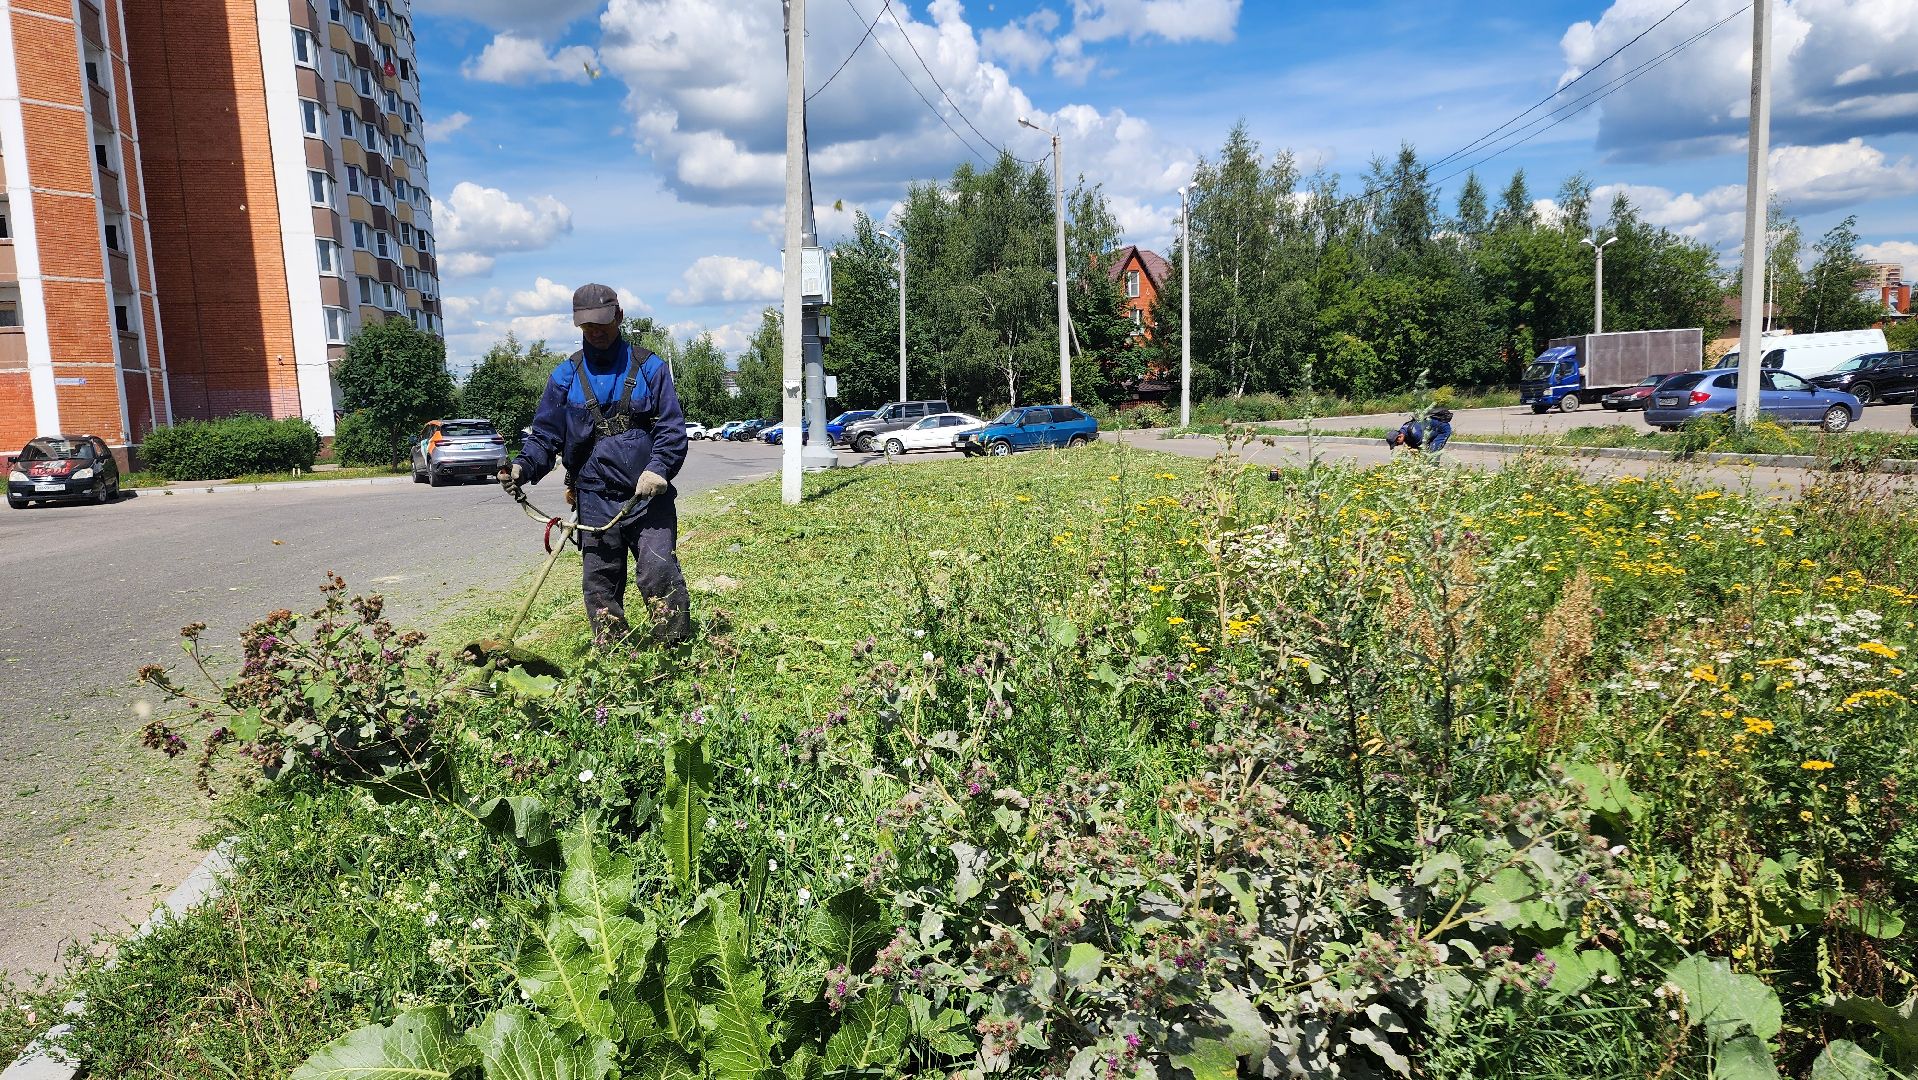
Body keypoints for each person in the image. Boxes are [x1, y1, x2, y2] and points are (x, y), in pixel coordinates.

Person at [499, 283, 692, 645]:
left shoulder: (649, 367)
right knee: (600, 585)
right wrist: (522, 468)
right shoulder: (565, 376)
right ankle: (616, 658)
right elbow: (544, 437)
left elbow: (671, 428)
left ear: (618, 316)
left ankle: (674, 649)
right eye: (588, 326)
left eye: (603, 322)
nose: (596, 331)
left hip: (646, 497)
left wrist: (659, 469)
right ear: (577, 325)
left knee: (657, 572)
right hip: (594, 501)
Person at [1388, 408, 1453, 454]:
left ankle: (1434, 470)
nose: (1397, 445)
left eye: (1396, 443)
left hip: (1442, 429)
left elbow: (1423, 447)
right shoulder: (1404, 431)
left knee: (1433, 452)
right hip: (1431, 430)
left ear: (1399, 436)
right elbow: (1412, 446)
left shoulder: (1414, 433)